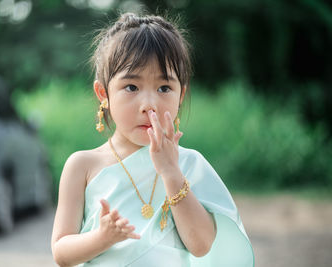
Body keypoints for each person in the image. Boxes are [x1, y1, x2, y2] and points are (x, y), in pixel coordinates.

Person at [51, 12, 254, 267]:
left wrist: (171, 172)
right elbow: (61, 252)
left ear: (181, 95)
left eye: (164, 88)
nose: (149, 105)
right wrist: (101, 238)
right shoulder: (82, 166)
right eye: (131, 87)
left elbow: (201, 246)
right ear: (103, 93)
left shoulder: (189, 164)